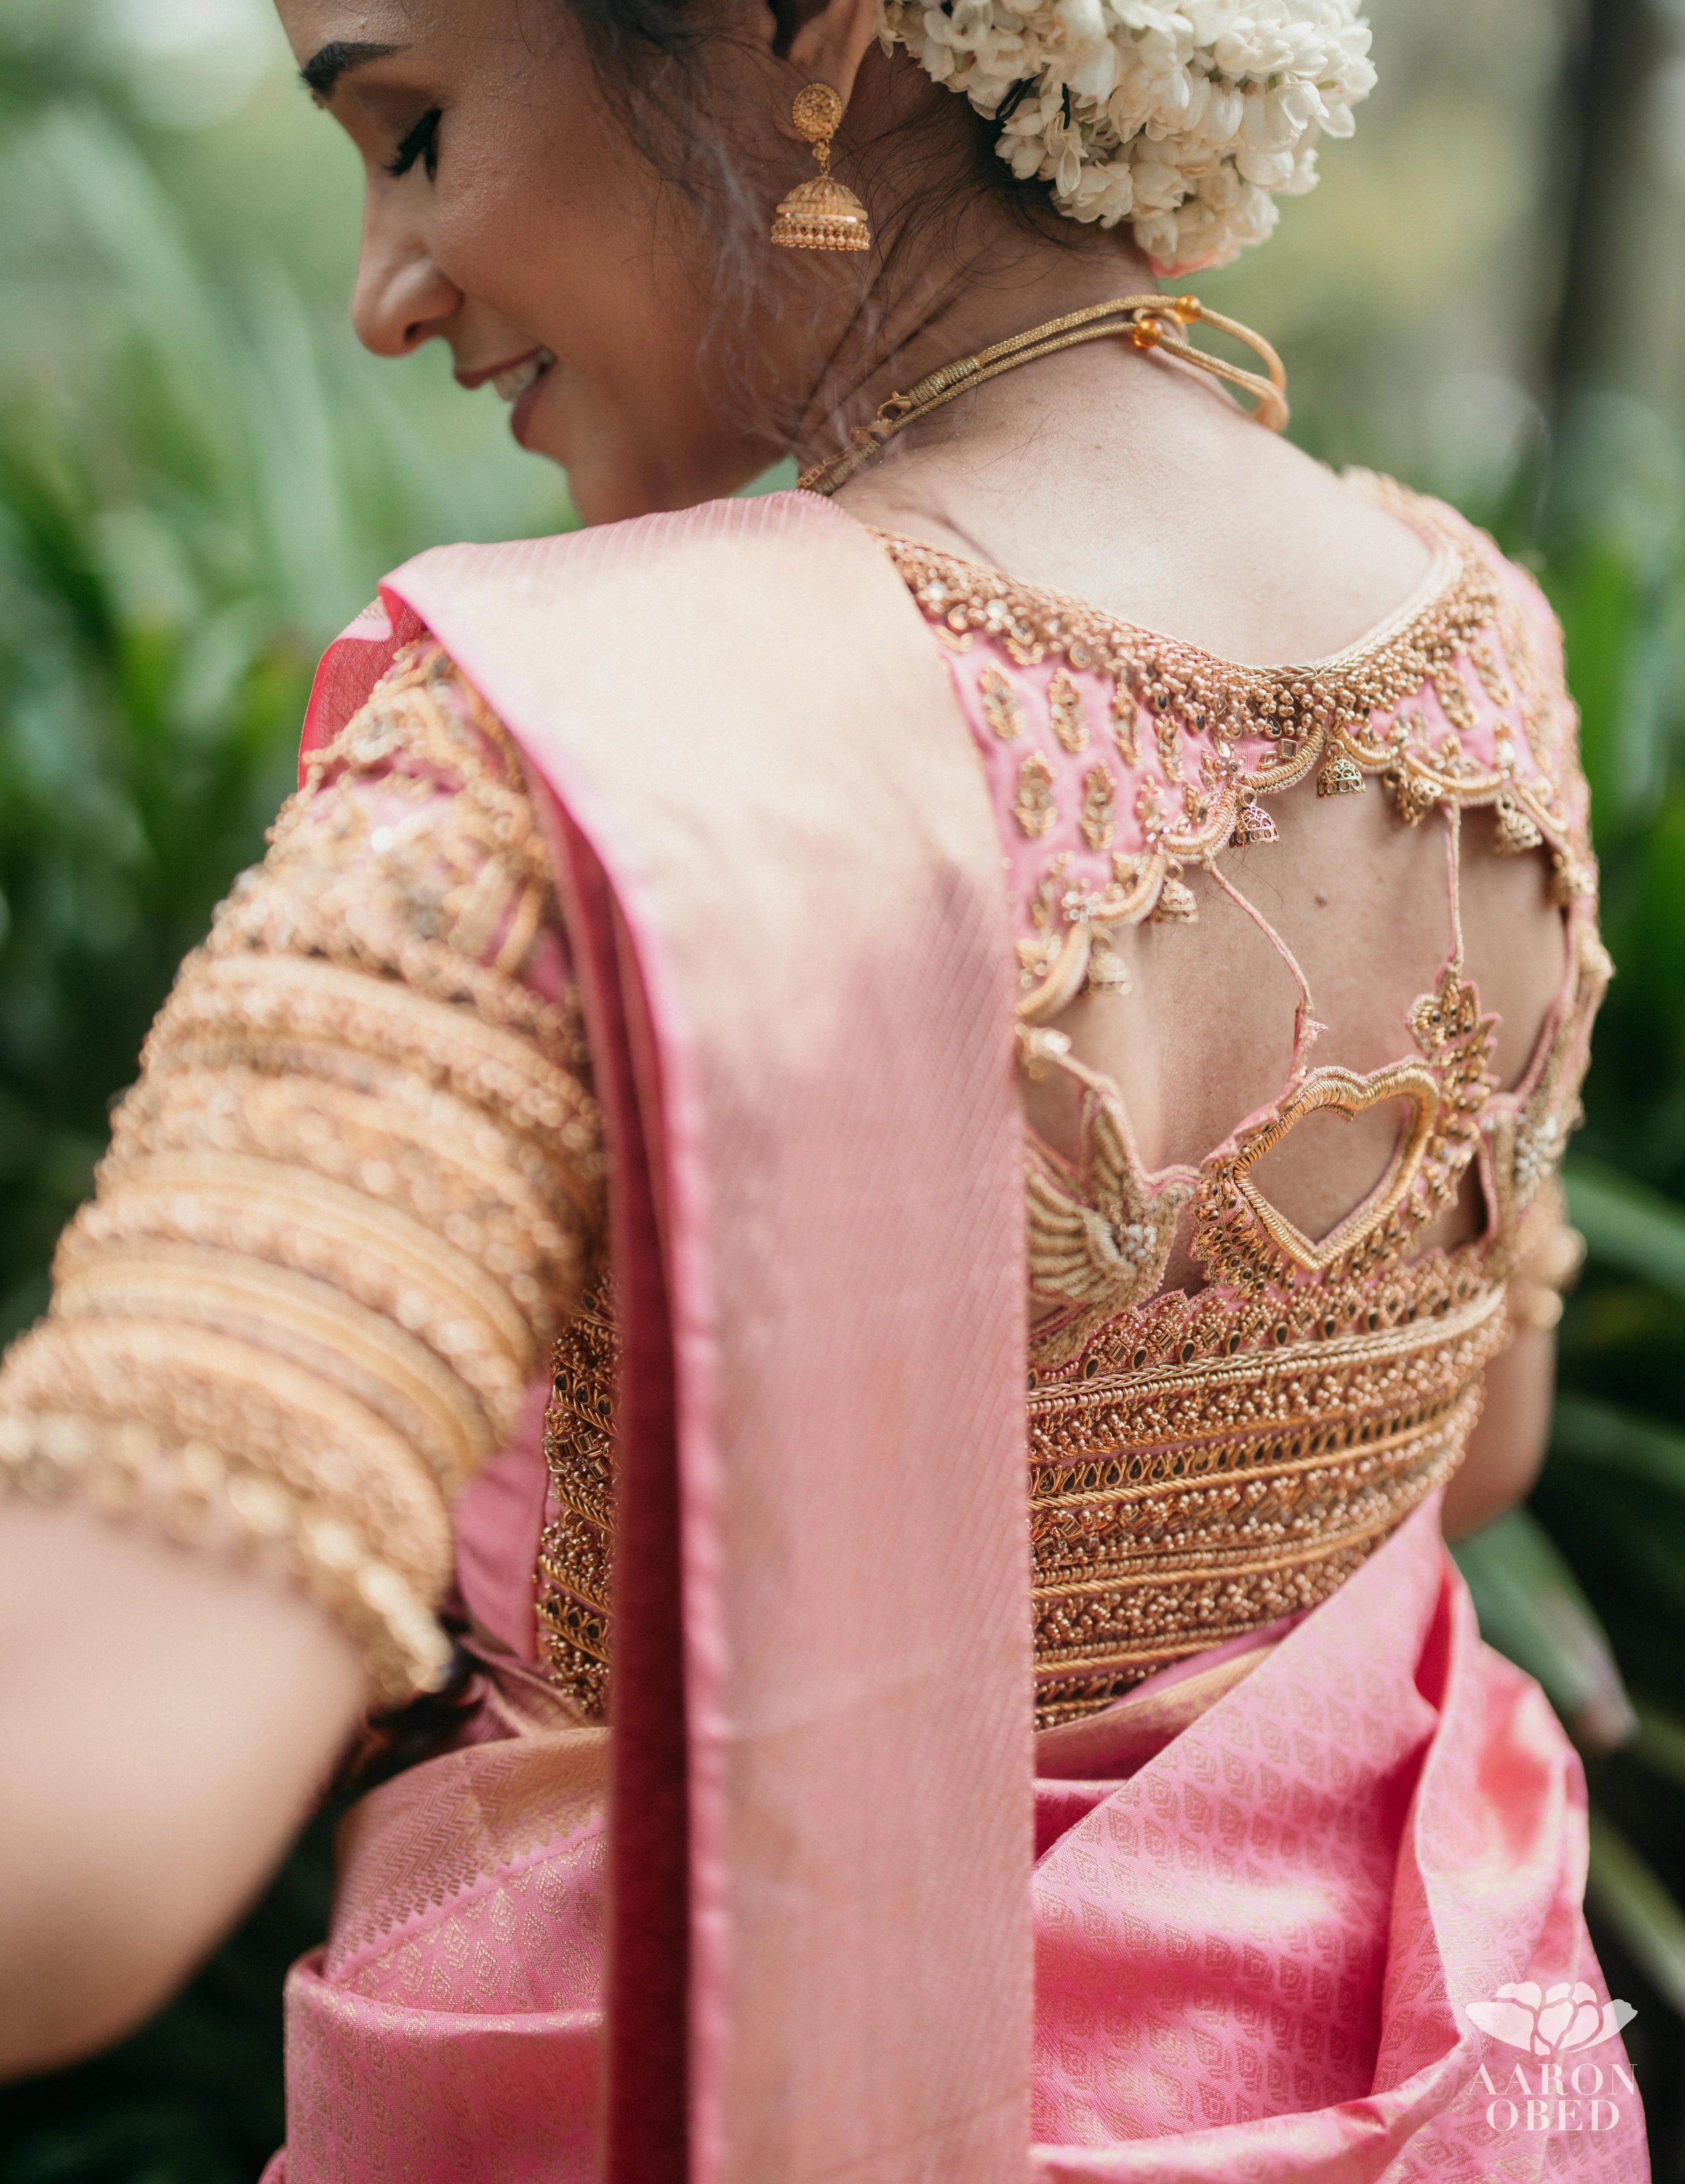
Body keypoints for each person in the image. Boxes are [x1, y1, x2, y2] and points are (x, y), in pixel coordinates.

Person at [0, 0, 1649, 2176]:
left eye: (409, 130)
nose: (382, 292)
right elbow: (1470, 1454)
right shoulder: (1476, 644)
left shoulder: (558, 758)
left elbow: (64, 1833)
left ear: (802, 34)